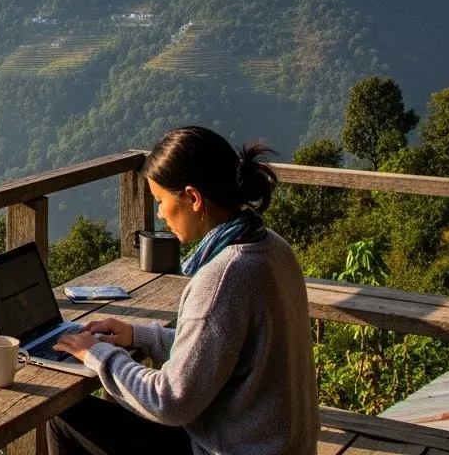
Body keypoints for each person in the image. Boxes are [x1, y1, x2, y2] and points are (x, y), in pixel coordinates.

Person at [49, 125, 318, 454]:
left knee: (62, 418)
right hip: (279, 445)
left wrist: (99, 354)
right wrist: (140, 336)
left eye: (161, 200)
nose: (160, 214)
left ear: (193, 198)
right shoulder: (272, 247)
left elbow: (170, 401)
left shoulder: (223, 278)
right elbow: (219, 348)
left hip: (230, 449)